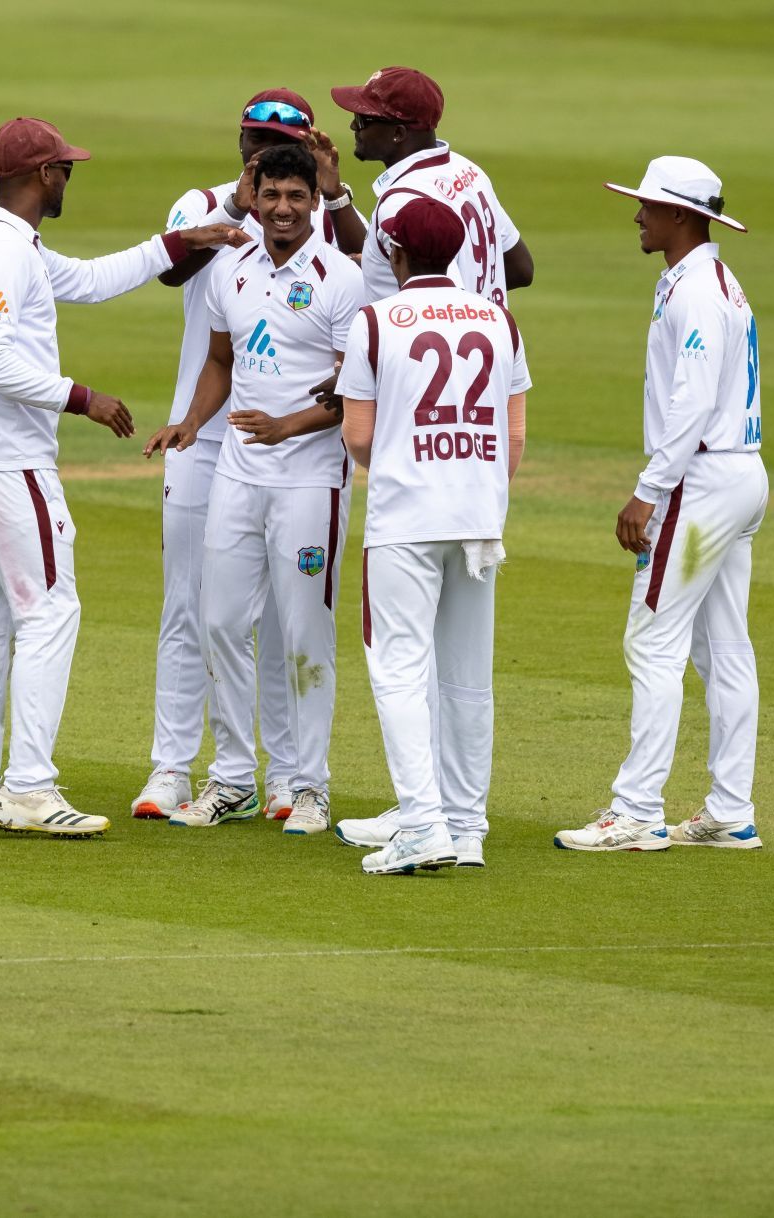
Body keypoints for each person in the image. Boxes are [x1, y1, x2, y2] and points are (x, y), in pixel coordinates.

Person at [0, 115, 247, 837]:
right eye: (64, 169)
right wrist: (83, 398)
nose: (69, 178)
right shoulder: (7, 254)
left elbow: (93, 280)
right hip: (5, 459)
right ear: (41, 176)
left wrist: (184, 240)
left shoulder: (6, 243)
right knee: (50, 611)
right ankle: (29, 790)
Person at [133, 88, 367, 825]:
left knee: (302, 631)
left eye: (297, 194)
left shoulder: (341, 276)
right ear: (255, 197)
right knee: (221, 622)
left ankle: (307, 783)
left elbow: (351, 390)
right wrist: (191, 424)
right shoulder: (230, 263)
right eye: (273, 194)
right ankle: (231, 778)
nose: (285, 206)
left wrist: (287, 425)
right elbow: (219, 362)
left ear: (310, 199)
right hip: (234, 466)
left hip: (307, 476)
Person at [556, 157, 765, 853]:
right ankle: (730, 810)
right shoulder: (712, 281)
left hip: (700, 483)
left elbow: (693, 399)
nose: (638, 215)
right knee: (723, 647)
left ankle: (637, 810)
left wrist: (649, 490)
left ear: (681, 216)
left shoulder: (697, 292)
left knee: (653, 641)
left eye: (648, 206)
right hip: (738, 477)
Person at [333, 200, 530, 874]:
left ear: (394, 251)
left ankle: (422, 824)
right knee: (469, 678)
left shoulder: (376, 321)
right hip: (478, 513)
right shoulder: (497, 319)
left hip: (406, 515)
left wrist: (402, 460)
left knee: (399, 669)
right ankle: (467, 826)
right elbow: (515, 435)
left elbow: (357, 435)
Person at [327, 66, 534, 307]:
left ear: (398, 133)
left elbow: (443, 308)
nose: (354, 127)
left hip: (432, 343)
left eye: (363, 119)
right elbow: (520, 268)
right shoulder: (467, 170)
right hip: (492, 338)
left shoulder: (403, 202)